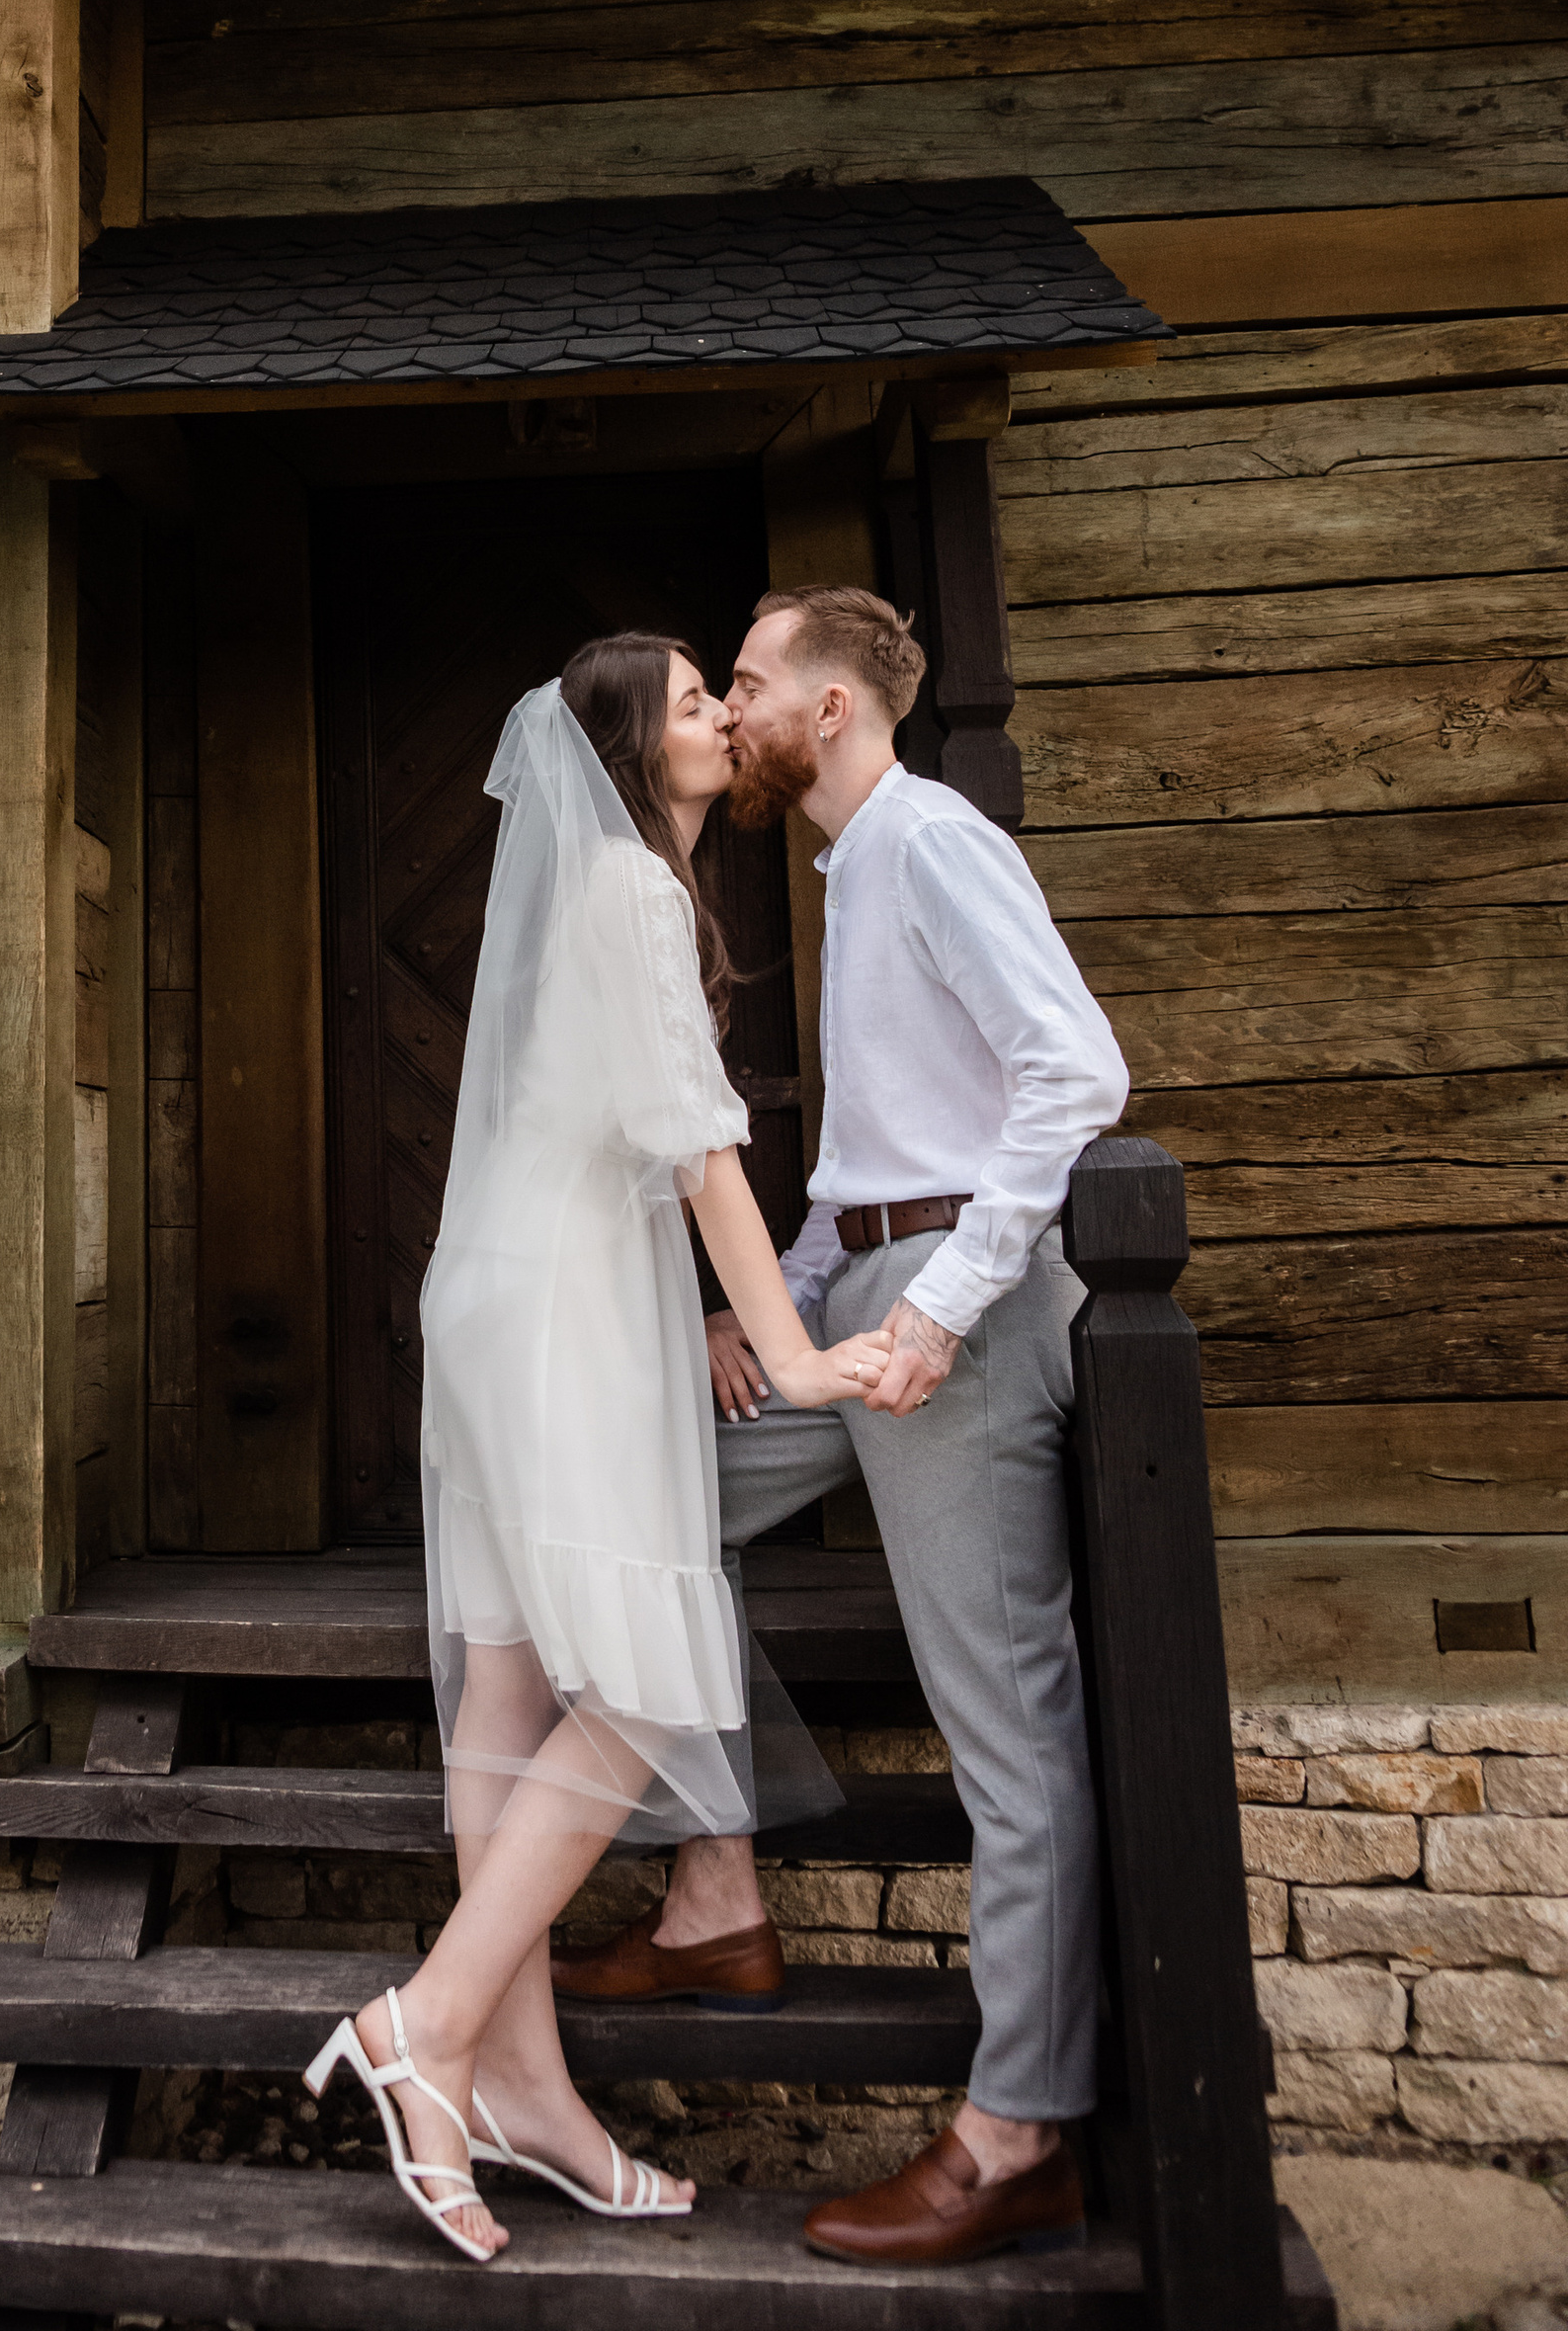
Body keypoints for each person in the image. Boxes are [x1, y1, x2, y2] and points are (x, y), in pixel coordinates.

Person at [549, 584, 1128, 2270]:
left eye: (747, 682)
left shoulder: (932, 838)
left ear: (830, 707)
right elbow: (878, 1155)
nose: (729, 711)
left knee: (1008, 1730)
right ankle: (718, 1886)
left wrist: (943, 1313)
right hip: (863, 1304)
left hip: (959, 1315)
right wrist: (771, 1315)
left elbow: (1075, 1074)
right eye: (715, 690)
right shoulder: (851, 864)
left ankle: (1018, 2135)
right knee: (647, 1518)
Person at [306, 632, 891, 2263]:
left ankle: (527, 2095)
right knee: (638, 1689)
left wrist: (705, 1319)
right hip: (563, 1323)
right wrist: (786, 1345)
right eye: (698, 699)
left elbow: (606, 1136)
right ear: (637, 749)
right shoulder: (631, 890)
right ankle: (427, 2028)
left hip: (497, 1302)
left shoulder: (605, 893)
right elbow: (700, 1150)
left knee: (509, 1689)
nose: (721, 714)